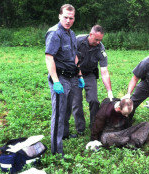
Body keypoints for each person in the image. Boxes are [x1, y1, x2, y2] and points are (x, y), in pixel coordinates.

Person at [45, 4, 85, 155]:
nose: (68, 20)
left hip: (72, 76)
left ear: (74, 18)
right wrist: (55, 81)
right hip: (60, 77)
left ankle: (65, 134)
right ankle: (56, 150)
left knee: (67, 109)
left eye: (71, 18)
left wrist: (79, 75)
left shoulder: (72, 34)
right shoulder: (55, 33)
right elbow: (49, 58)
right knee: (59, 114)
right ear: (59, 16)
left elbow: (74, 56)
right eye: (65, 17)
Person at [72, 25, 113, 134]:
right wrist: (77, 74)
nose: (98, 42)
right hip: (75, 74)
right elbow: (69, 57)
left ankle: (94, 125)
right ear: (90, 35)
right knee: (76, 102)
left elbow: (104, 71)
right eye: (96, 39)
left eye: (100, 40)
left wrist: (109, 91)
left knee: (94, 100)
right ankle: (80, 128)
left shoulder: (101, 49)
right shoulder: (77, 41)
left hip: (90, 74)